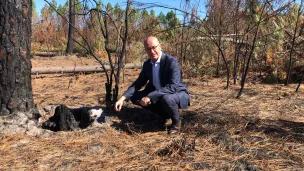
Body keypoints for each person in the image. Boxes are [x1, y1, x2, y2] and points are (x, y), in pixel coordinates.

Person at [114, 36, 190, 134]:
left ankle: (176, 122)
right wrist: (122, 98)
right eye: (148, 49)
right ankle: (163, 115)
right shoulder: (147, 65)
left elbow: (172, 87)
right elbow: (138, 83)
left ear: (160, 46)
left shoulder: (171, 62)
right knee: (134, 96)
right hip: (159, 93)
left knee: (166, 98)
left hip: (177, 93)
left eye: (154, 47)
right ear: (145, 50)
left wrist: (150, 96)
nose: (152, 51)